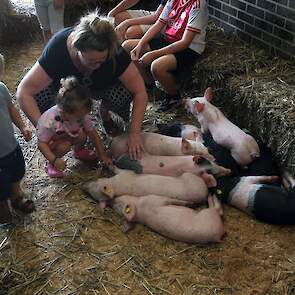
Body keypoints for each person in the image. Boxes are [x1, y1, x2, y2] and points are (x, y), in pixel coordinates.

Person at [17, 11, 148, 160]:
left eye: (102, 60)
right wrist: (45, 129)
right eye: (91, 60)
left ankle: (105, 115)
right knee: (40, 94)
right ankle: (66, 129)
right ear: (76, 48)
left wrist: (135, 133)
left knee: (123, 93)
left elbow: (140, 91)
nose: (97, 66)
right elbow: (24, 91)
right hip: (69, 93)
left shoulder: (116, 53)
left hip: (101, 88)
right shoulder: (59, 46)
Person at [122, 0, 208, 112]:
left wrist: (153, 54)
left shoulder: (198, 4)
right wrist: (140, 45)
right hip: (169, 40)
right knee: (127, 46)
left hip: (188, 48)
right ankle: (150, 86)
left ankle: (173, 97)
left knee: (157, 66)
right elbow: (158, 24)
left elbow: (185, 42)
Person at [37, 76, 113, 178]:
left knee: (82, 134)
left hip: (69, 133)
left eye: (84, 114)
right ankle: (50, 164)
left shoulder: (80, 114)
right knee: (65, 146)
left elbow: (93, 134)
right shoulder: (49, 120)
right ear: (63, 111)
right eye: (79, 116)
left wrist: (102, 155)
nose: (83, 118)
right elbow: (41, 144)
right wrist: (54, 160)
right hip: (54, 141)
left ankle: (78, 150)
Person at [0, 53, 35, 225]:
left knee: (16, 171)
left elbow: (11, 108)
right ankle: (2, 207)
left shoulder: (1, 88)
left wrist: (22, 126)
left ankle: (16, 197)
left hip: (10, 146)